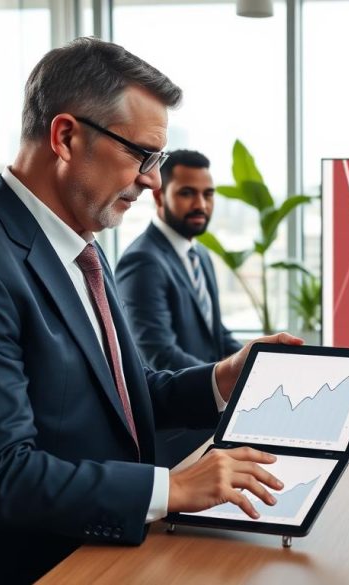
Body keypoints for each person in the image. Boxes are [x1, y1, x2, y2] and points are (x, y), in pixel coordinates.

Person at [0, 38, 299, 583]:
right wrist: (174, 487)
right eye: (141, 155)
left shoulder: (82, 246)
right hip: (25, 568)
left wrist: (220, 380)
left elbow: (120, 400)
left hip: (102, 551)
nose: (153, 180)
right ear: (65, 137)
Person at [116, 149, 242, 467]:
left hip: (213, 421)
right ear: (159, 195)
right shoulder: (142, 261)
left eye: (207, 194)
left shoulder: (199, 256)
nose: (201, 204)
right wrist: (225, 387)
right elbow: (160, 355)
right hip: (181, 436)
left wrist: (258, 366)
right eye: (187, 193)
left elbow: (217, 334)